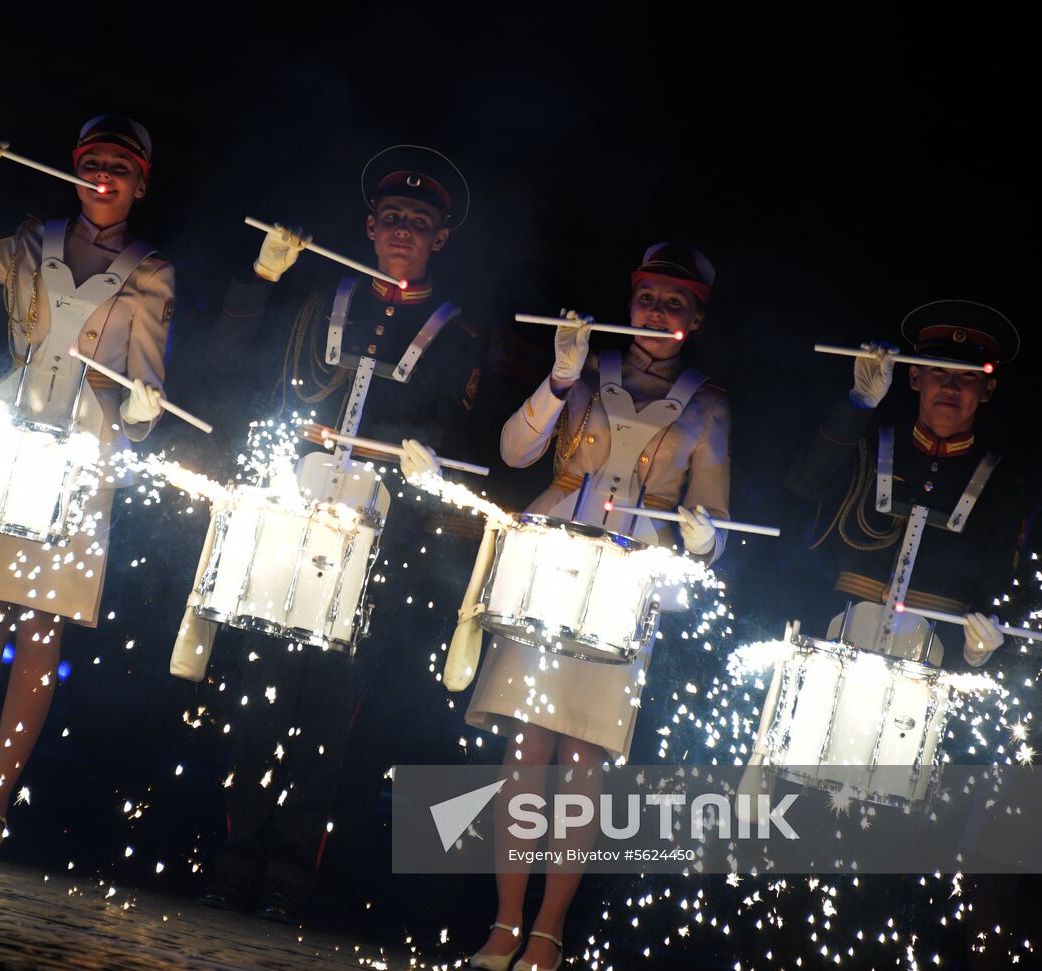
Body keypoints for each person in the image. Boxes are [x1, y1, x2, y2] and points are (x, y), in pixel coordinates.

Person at [197, 146, 487, 921]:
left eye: (418, 223)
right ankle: (234, 862)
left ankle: (291, 876)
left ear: (440, 239)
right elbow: (231, 359)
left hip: (377, 538)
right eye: (391, 218)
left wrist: (427, 459)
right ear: (368, 225)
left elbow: (454, 441)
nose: (401, 232)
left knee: (329, 715)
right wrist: (259, 278)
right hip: (293, 514)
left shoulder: (458, 334)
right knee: (259, 700)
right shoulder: (323, 295)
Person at [0, 114, 175, 859]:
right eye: (92, 162)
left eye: (121, 166)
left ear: (141, 184)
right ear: (74, 170)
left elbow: (147, 388)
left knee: (40, 630)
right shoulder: (29, 241)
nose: (103, 176)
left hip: (84, 454)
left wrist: (142, 414)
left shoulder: (150, 271)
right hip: (10, 437)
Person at [462, 243, 729, 971]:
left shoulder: (708, 404)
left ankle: (548, 930)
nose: (657, 313)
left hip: (626, 586)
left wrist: (702, 537)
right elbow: (516, 453)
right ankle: (505, 921)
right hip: (550, 566)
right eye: (648, 298)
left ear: (696, 318)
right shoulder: (584, 373)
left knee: (584, 757)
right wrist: (558, 378)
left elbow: (714, 533)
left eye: (676, 304)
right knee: (526, 750)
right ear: (631, 300)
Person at [785, 300, 1029, 668]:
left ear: (988, 389)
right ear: (914, 376)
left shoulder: (1005, 488)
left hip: (932, 666)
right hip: (832, 646)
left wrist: (979, 651)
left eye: (967, 376)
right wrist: (859, 403)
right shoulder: (868, 446)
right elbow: (803, 484)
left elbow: (999, 592)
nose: (950, 385)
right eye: (938, 370)